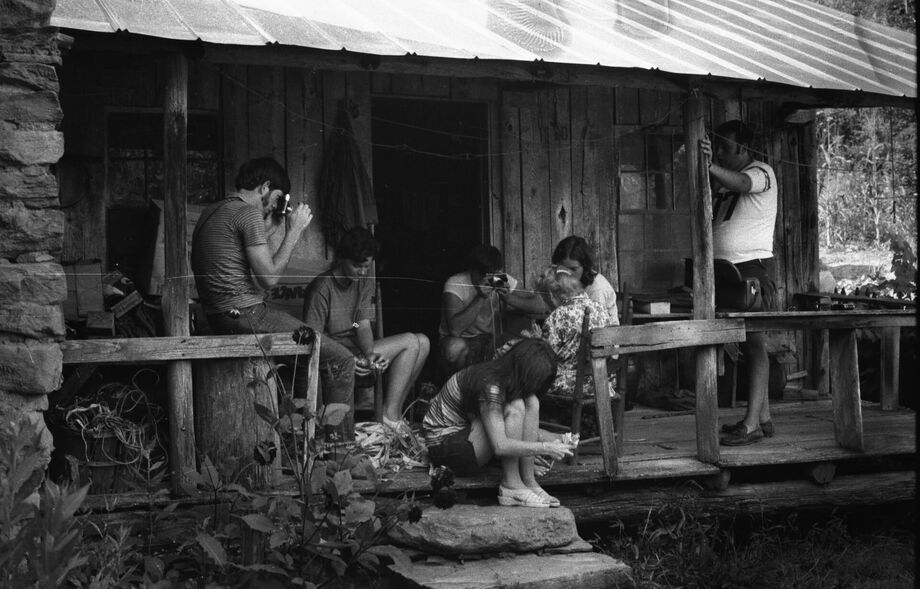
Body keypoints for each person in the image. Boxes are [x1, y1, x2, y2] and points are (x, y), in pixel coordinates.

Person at [191, 156, 315, 397]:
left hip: (218, 316)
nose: (275, 206)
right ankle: (313, 423)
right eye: (278, 198)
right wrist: (294, 231)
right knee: (332, 355)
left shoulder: (212, 211)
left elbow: (242, 252)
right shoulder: (248, 213)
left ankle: (293, 417)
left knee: (298, 357)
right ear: (265, 187)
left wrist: (274, 226)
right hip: (246, 314)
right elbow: (268, 279)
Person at [303, 226, 429, 439]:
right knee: (410, 340)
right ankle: (389, 418)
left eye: (366, 266)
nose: (362, 272)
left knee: (422, 342)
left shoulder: (362, 281)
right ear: (341, 259)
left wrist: (370, 354)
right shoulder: (321, 288)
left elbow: (360, 324)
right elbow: (313, 339)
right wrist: (348, 358)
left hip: (354, 350)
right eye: (357, 266)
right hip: (331, 357)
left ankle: (392, 414)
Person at [423, 338, 576, 507]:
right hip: (446, 449)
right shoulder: (491, 386)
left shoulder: (503, 378)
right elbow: (500, 446)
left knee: (532, 401)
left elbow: (511, 427)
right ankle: (511, 485)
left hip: (467, 436)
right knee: (515, 406)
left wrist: (553, 441)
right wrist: (545, 447)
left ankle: (529, 481)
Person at [701, 120, 779, 446]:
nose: (720, 152)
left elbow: (743, 183)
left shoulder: (762, 172)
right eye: (716, 147)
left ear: (743, 148)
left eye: (725, 147)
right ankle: (763, 417)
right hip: (727, 270)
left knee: (755, 344)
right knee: (747, 343)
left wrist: (710, 166)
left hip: (753, 269)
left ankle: (752, 425)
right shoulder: (724, 181)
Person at [438, 245, 544, 376]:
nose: (488, 279)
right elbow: (455, 330)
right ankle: (457, 385)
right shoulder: (456, 284)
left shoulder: (497, 279)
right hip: (462, 341)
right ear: (472, 270)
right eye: (483, 274)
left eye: (493, 274)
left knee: (518, 346)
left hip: (488, 341)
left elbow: (540, 305)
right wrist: (480, 297)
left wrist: (509, 298)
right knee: (454, 348)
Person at [536, 266, 615, 398]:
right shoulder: (600, 308)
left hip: (572, 384)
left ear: (551, 295)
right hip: (602, 381)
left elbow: (545, 357)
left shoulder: (557, 316)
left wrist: (537, 341)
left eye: (544, 298)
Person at [551, 235, 619, 322]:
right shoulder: (567, 284)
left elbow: (595, 325)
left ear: (585, 266)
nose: (568, 274)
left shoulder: (597, 290)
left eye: (573, 269)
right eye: (563, 269)